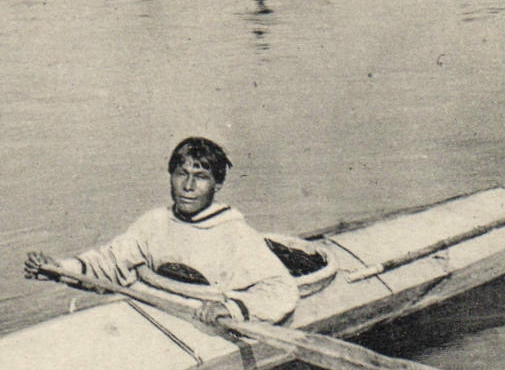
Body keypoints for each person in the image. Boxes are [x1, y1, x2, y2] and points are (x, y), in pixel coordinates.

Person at [24, 136, 299, 325]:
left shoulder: (236, 236)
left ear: (217, 184)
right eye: (182, 174)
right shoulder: (154, 223)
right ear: (171, 176)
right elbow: (109, 262)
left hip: (200, 319)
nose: (188, 186)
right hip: (150, 306)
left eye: (201, 177)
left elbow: (282, 290)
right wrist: (59, 269)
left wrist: (231, 309)